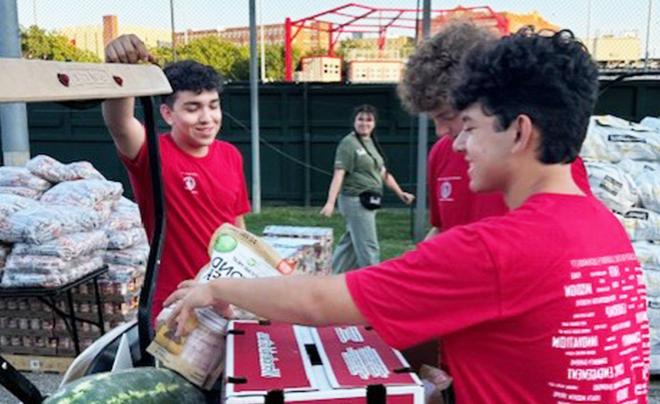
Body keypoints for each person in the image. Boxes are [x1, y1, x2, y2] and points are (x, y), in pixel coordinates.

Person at [166, 31, 649, 402]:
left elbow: (320, 298)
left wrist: (217, 287)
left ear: (519, 131)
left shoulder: (496, 246)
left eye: (470, 127)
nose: (456, 143)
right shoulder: (602, 225)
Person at [102, 34, 251, 324]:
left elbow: (238, 228)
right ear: (168, 113)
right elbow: (119, 123)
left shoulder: (231, 155)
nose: (207, 117)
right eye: (193, 108)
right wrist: (120, 69)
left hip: (224, 300)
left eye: (213, 105)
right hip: (175, 304)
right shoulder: (153, 154)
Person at [397, 22, 592, 240]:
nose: (441, 131)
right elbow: (443, 228)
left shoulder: (547, 159)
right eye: (433, 119)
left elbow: (571, 233)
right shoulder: (441, 154)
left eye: (448, 116)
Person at [320, 104, 415, 273]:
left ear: (374, 123)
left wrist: (400, 193)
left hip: (370, 200)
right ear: (354, 121)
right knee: (368, 246)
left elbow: (383, 173)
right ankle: (374, 284)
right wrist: (330, 202)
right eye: (360, 119)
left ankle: (331, 276)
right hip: (355, 200)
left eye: (369, 120)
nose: (364, 123)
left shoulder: (370, 142)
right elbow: (339, 174)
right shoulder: (348, 143)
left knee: (350, 244)